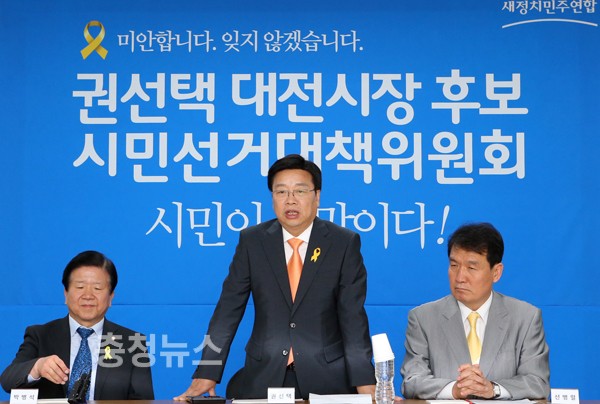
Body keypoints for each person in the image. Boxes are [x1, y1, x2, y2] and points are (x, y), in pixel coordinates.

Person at [175, 154, 376, 400]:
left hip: (329, 379)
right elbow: (227, 312)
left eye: (300, 191)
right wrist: (207, 372)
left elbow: (353, 318)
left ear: (317, 196)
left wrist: (365, 381)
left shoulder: (342, 243)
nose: (290, 200)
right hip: (263, 376)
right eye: (281, 192)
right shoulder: (253, 241)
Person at [400, 222, 550, 400]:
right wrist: (454, 389)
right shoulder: (423, 318)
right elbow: (412, 381)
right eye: (454, 265)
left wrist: (493, 389)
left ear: (496, 272)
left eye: (471, 268)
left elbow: (537, 382)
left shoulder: (525, 318)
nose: (460, 277)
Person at [0, 250, 154, 400]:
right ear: (66, 294)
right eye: (80, 287)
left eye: (97, 288)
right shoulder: (40, 335)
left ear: (111, 297)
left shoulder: (132, 343)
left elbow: (144, 400)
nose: (88, 295)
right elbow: (8, 380)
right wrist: (38, 367)